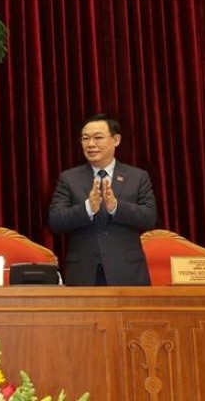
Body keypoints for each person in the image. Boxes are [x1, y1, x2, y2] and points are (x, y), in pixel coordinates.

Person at [49, 114, 158, 286]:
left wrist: (116, 207)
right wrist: (87, 208)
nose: (91, 144)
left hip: (127, 272)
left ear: (116, 139)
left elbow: (149, 218)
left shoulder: (137, 177)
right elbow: (55, 221)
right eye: (85, 139)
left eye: (98, 137)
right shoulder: (69, 178)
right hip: (84, 273)